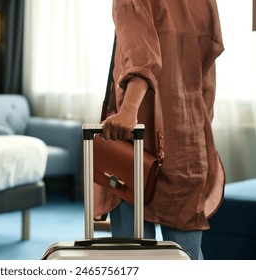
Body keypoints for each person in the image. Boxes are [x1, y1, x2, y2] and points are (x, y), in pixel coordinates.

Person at [95, 0, 226, 260]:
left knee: (133, 260)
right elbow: (206, 75)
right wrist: (201, 132)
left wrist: (129, 109)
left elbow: (141, 57)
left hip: (135, 144)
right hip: (188, 144)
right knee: (186, 258)